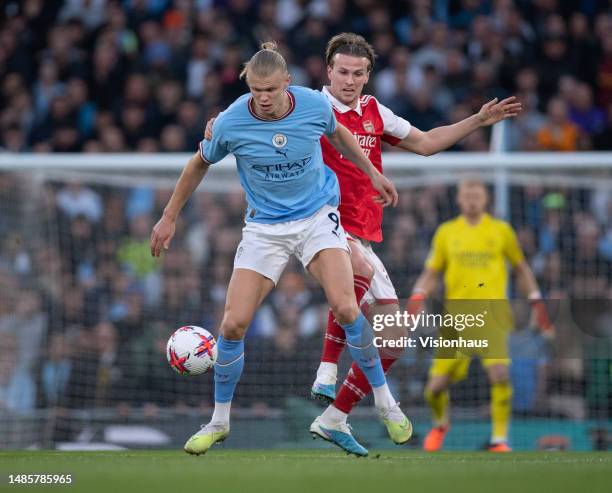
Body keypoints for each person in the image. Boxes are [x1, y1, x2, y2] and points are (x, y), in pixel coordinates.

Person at [205, 33, 523, 453]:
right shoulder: (308, 109)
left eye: (358, 73)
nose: (349, 81)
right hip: (324, 227)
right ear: (328, 72)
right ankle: (324, 371)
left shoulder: (375, 112)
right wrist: (215, 125)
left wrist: (476, 121)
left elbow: (425, 143)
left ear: (368, 75)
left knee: (393, 339)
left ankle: (335, 417)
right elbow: (255, 119)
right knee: (358, 276)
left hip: (367, 235)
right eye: (342, 72)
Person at [150, 42, 409, 458]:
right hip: (265, 228)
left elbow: (338, 133)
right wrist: (169, 216)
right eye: (256, 90)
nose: (264, 98)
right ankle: (218, 422)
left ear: (287, 82)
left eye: (270, 89)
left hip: (316, 218)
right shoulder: (232, 121)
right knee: (233, 325)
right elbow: (198, 163)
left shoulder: (311, 105)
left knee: (347, 307)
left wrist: (372, 172)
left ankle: (386, 403)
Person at [409, 178, 554, 452]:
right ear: (459, 199)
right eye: (468, 193)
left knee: (499, 374)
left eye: (478, 193)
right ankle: (440, 425)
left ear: (486, 199)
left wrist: (536, 301)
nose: (473, 198)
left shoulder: (501, 231)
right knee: (435, 388)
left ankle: (499, 439)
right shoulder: (447, 232)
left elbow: (521, 268)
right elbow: (432, 272)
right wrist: (417, 297)